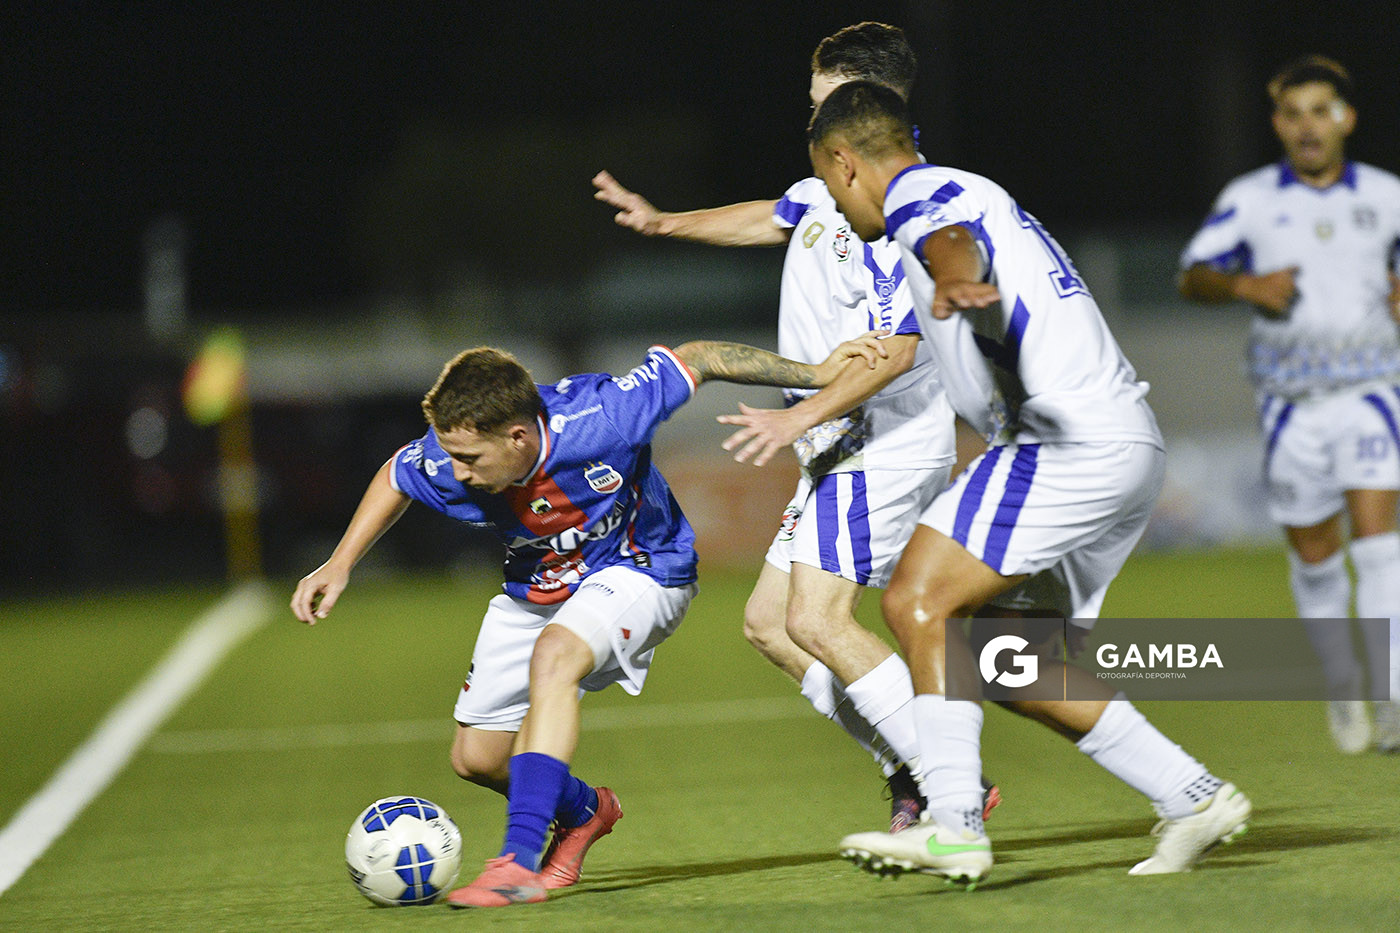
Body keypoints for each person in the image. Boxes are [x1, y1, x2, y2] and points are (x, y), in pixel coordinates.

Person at [802, 80, 1251, 885]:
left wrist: (955, 275)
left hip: (1061, 439)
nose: (839, 210)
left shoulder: (917, 194)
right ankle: (1192, 795)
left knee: (915, 599)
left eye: (834, 191)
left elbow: (948, 240)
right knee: (1003, 655)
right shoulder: (971, 190)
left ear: (844, 163)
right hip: (1116, 437)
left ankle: (953, 825)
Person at [289, 337, 882, 909]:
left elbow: (700, 357)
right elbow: (398, 473)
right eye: (450, 454)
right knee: (477, 758)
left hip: (644, 570)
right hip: (539, 589)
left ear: (519, 436)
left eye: (469, 458)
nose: (457, 470)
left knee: (556, 656)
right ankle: (583, 812)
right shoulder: (450, 458)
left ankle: (516, 865)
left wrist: (817, 375)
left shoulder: (605, 416)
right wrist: (339, 563)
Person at [593, 22, 998, 833]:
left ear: (858, 96)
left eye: (818, 95)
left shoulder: (901, 206)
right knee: (772, 626)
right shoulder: (829, 184)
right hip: (832, 442)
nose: (806, 108)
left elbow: (892, 353)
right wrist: (666, 222)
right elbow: (772, 215)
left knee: (817, 620)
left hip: (878, 437)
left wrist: (805, 413)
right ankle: (911, 768)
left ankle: (949, 782)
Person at [1178, 55, 1400, 754]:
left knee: (1381, 546)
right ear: (1280, 124)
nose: (1309, 126)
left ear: (1346, 119)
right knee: (1314, 555)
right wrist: (1245, 288)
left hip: (1371, 391)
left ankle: (1390, 696)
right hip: (1290, 406)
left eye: (1321, 111)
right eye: (1294, 113)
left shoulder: (1388, 195)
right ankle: (1343, 686)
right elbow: (1194, 275)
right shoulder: (1249, 198)